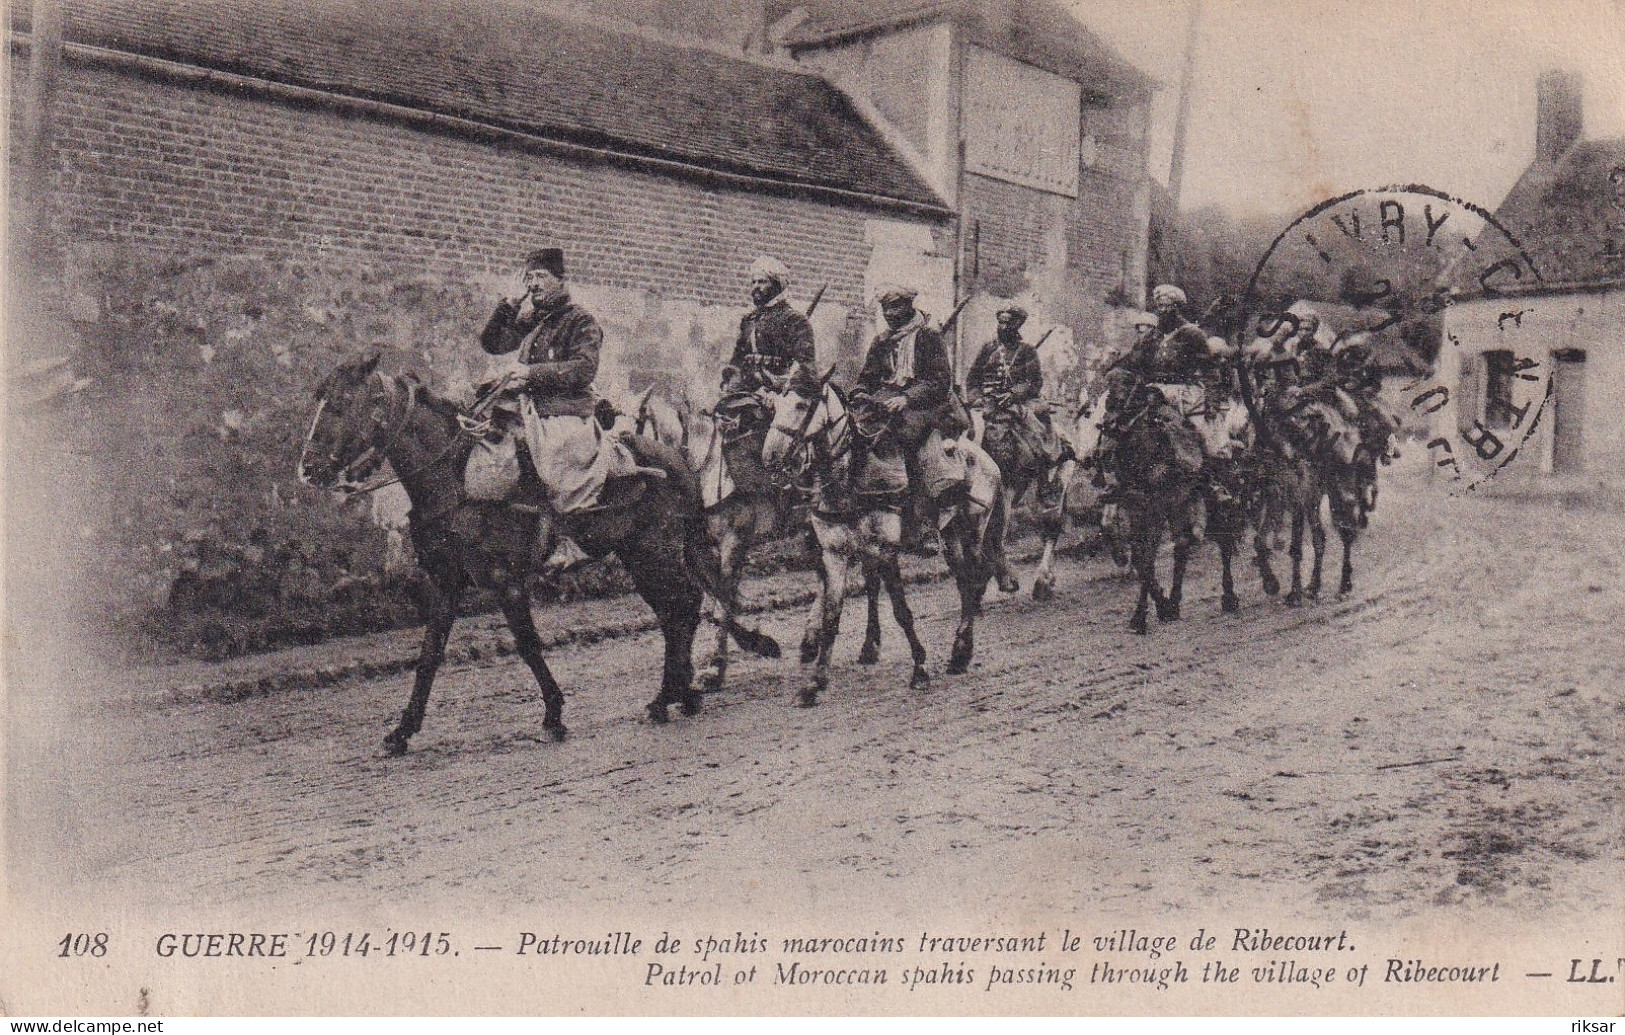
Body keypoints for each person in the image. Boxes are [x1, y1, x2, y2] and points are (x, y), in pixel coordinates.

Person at [474, 246, 658, 517]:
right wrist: (509, 304)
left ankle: (567, 528)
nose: (533, 284)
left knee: (558, 473)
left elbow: (584, 369)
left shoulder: (581, 321)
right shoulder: (535, 319)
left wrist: (530, 373)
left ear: (561, 280)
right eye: (529, 277)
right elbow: (493, 344)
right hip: (529, 407)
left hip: (564, 412)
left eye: (541, 276)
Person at [852, 285, 959, 550]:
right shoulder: (881, 341)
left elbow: (939, 381)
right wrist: (860, 392)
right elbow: (867, 377)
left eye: (895, 308)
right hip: (884, 402)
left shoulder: (928, 337)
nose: (889, 314)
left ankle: (926, 524)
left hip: (924, 406)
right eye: (885, 309)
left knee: (911, 445)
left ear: (909, 307)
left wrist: (907, 398)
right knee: (852, 434)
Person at [723, 256, 815, 394]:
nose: (756, 286)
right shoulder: (749, 320)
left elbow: (806, 367)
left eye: (762, 282)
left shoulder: (794, 320)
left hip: (777, 392)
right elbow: (737, 360)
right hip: (744, 390)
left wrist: (787, 385)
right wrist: (730, 381)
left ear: (777, 285)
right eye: (753, 282)